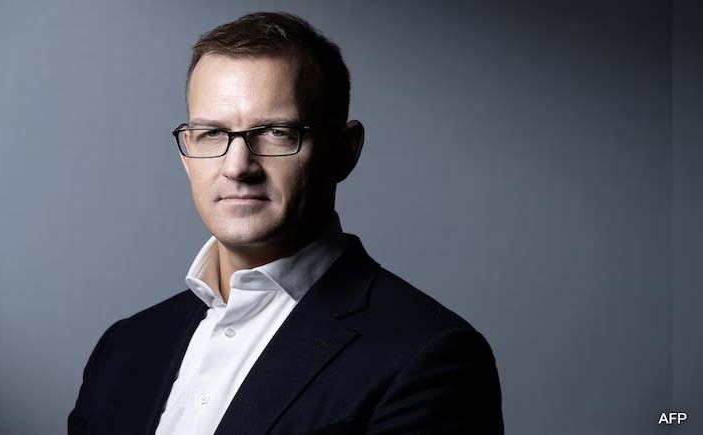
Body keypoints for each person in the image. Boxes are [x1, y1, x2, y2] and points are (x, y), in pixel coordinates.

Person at [68, 11, 503, 435]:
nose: (238, 167)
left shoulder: (427, 355)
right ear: (186, 156)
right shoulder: (124, 349)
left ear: (344, 151)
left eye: (276, 132)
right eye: (212, 133)